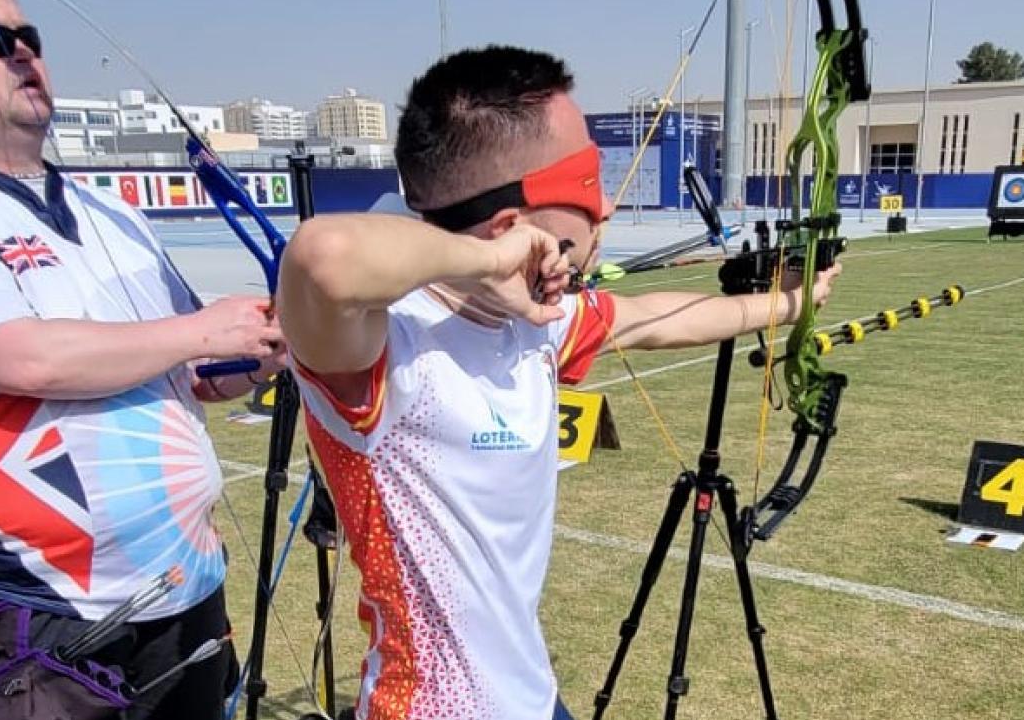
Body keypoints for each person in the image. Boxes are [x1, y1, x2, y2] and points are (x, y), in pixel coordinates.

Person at [277, 45, 841, 720]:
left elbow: (649, 319)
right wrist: (486, 259)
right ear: (512, 227)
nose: (604, 208)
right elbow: (321, 258)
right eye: (586, 188)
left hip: (533, 700)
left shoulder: (537, 323)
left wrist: (788, 305)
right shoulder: (384, 346)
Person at [0, 0, 283, 719]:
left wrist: (254, 354)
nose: (22, 55)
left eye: (29, 38)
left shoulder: (114, 215)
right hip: (34, 617)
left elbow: (193, 370)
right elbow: (19, 355)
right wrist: (204, 327)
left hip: (182, 591)